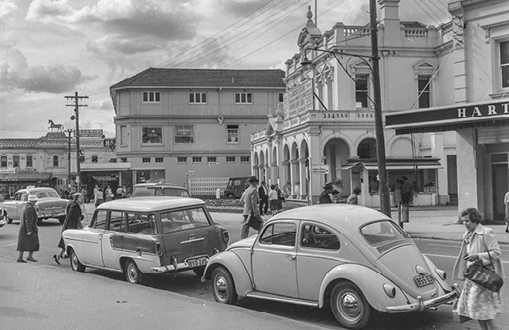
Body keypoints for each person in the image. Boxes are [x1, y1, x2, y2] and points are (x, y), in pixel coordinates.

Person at [452, 208, 504, 330]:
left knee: (484, 311)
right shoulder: (467, 235)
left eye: (467, 221)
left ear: (475, 220)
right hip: (473, 277)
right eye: (463, 221)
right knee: (477, 310)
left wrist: (478, 256)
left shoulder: (486, 233)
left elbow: (496, 253)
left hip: (484, 278)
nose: (465, 224)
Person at [53, 193, 84, 265]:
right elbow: (75, 217)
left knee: (67, 243)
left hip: (69, 225)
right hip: (72, 226)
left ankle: (59, 256)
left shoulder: (72, 204)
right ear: (76, 198)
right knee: (73, 243)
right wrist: (81, 217)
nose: (81, 199)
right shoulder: (75, 206)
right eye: (80, 197)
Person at [16, 194, 39, 263]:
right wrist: (29, 230)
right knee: (34, 241)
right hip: (29, 228)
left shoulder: (26, 206)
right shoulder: (31, 208)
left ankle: (20, 257)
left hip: (23, 227)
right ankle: (29, 256)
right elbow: (29, 219)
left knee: (22, 242)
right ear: (33, 201)